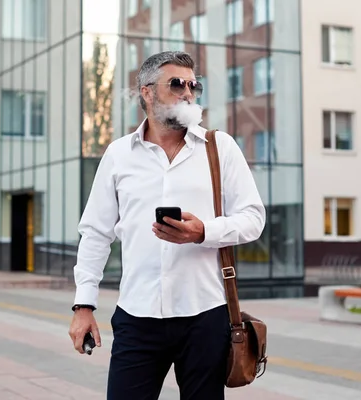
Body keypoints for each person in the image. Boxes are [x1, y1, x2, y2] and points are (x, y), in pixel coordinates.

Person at [68, 51, 266, 400]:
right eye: (176, 84)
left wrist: (203, 232)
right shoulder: (118, 154)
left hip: (205, 315)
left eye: (193, 85)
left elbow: (253, 218)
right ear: (146, 92)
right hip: (137, 316)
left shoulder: (220, 148)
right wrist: (84, 306)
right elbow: (96, 233)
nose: (187, 92)